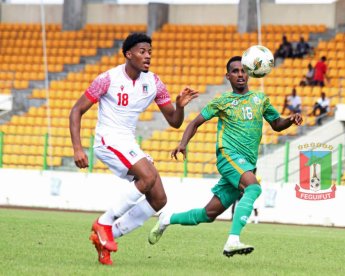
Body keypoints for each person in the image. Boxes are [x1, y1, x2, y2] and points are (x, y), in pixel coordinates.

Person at [148, 56, 302, 257]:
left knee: (207, 214)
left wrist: (290, 120)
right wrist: (183, 143)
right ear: (227, 76)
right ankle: (233, 240)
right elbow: (195, 123)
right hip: (228, 157)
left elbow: (276, 124)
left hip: (246, 163)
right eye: (235, 71)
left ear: (250, 73)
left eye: (243, 70)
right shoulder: (222, 101)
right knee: (253, 188)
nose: (240, 74)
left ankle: (167, 219)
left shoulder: (260, 99)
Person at [69, 33, 198, 265]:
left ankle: (105, 238)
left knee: (159, 199)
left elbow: (174, 121)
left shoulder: (154, 83)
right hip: (107, 139)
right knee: (147, 176)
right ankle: (104, 223)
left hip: (127, 142)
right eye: (142, 51)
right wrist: (78, 148)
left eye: (149, 52)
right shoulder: (107, 79)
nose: (147, 56)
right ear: (128, 54)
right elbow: (76, 110)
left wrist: (179, 107)